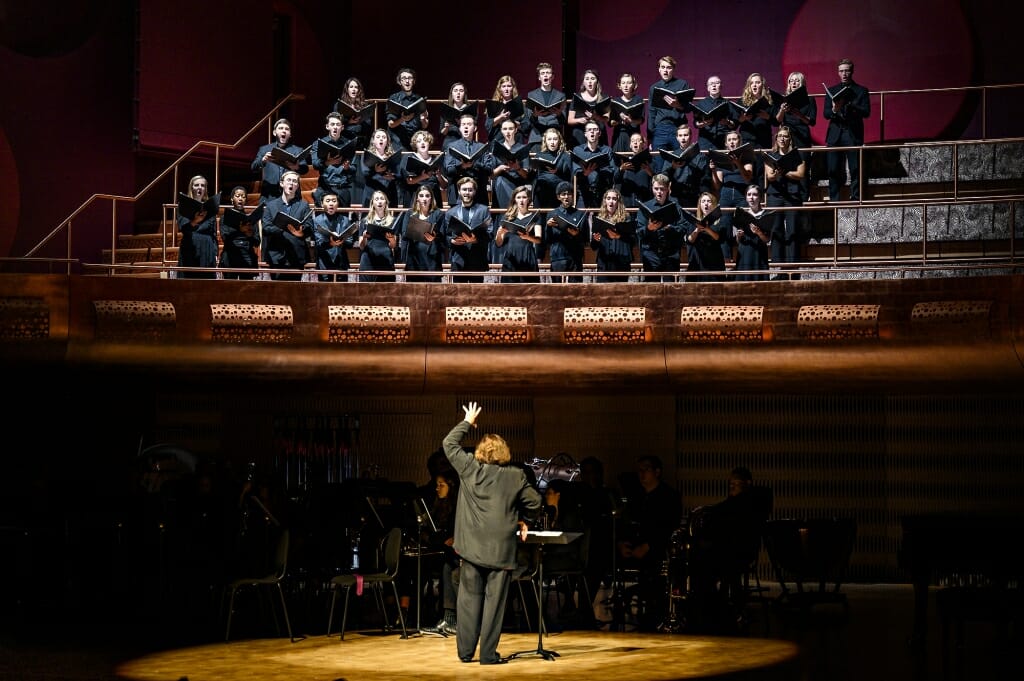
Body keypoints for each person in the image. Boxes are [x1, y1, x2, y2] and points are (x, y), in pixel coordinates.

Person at [442, 401, 542, 665]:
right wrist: (524, 519)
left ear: (479, 452)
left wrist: (468, 422)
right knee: (494, 605)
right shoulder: (516, 476)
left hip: (472, 550)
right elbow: (535, 503)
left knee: (468, 603)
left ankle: (465, 653)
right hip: (500, 551)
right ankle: (487, 655)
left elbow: (448, 444)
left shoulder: (469, 469)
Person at [688, 466, 771, 632]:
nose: (732, 486)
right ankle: (709, 606)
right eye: (730, 483)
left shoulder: (749, 503)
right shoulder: (732, 503)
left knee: (704, 561)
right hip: (725, 550)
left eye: (736, 483)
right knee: (699, 557)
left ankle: (713, 607)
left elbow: (735, 528)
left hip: (738, 552)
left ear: (747, 484)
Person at [617, 455, 681, 632]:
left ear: (657, 472)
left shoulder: (669, 496)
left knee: (654, 567)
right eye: (640, 470)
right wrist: (622, 543)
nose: (641, 473)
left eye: (646, 469)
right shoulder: (636, 496)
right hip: (635, 547)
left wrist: (648, 546)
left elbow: (668, 528)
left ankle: (655, 614)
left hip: (658, 549)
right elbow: (626, 523)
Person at [824, 58, 870, 201]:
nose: (844, 74)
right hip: (835, 133)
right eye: (841, 71)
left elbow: (866, 112)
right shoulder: (832, 91)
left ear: (852, 72)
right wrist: (834, 109)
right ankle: (834, 200)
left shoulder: (861, 90)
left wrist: (851, 105)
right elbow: (826, 114)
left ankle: (856, 197)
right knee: (832, 169)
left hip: (852, 133)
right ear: (838, 73)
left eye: (847, 71)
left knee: (855, 168)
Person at [765, 126, 807, 280]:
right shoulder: (771, 155)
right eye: (779, 136)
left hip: (792, 196)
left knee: (792, 231)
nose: (782, 138)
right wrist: (776, 174)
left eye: (785, 136)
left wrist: (785, 172)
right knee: (776, 230)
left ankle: (793, 269)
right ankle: (779, 269)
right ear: (776, 139)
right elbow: (769, 176)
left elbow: (801, 174)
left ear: (790, 139)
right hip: (775, 195)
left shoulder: (797, 154)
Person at [422, 469, 461, 636]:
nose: (437, 488)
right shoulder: (438, 507)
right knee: (446, 567)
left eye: (441, 485)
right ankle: (448, 617)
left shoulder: (458, 507)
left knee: (450, 569)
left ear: (451, 487)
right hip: (446, 552)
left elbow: (451, 537)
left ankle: (456, 619)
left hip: (459, 553)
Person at [709, 130, 755, 265]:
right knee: (724, 227)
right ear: (726, 143)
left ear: (739, 141)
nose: (732, 142)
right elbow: (717, 185)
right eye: (729, 140)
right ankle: (726, 260)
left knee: (745, 227)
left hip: (742, 193)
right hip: (726, 193)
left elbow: (748, 178)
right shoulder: (721, 158)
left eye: (735, 139)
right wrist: (713, 170)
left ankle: (744, 260)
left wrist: (738, 163)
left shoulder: (746, 156)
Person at [262, 169, 313, 280]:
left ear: (298, 186)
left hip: (296, 255)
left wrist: (301, 231)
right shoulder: (271, 205)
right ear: (282, 183)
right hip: (276, 255)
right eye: (288, 180)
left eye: (295, 181)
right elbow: (266, 228)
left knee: (295, 293)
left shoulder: (303, 205)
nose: (291, 183)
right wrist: (282, 228)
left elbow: (309, 226)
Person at [636, 173, 686, 282]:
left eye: (662, 189)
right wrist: (649, 228)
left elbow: (683, 227)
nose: (659, 192)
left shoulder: (675, 207)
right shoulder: (646, 207)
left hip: (671, 254)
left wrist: (670, 228)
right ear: (652, 188)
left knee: (671, 289)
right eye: (656, 188)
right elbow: (639, 232)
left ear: (668, 189)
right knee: (652, 290)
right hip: (651, 254)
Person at [444, 177, 492, 282]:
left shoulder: (483, 210)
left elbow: (490, 233)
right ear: (459, 191)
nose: (467, 192)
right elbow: (445, 236)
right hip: (458, 260)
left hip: (477, 260)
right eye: (464, 189)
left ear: (474, 191)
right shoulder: (450, 212)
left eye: (470, 190)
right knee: (459, 296)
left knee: (477, 295)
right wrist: (452, 241)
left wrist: (476, 239)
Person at [442, 114, 494, 207]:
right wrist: (462, 166)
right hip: (457, 196)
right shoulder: (451, 146)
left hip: (479, 195)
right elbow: (449, 171)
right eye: (463, 124)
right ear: (460, 128)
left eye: (469, 124)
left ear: (475, 128)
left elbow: (489, 170)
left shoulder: (482, 147)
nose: (466, 126)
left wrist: (475, 164)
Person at [252, 118, 309, 201]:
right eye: (281, 128)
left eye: (287, 129)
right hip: (269, 196)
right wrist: (263, 160)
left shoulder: (297, 150)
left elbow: (305, 169)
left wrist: (296, 167)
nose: (284, 131)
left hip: (292, 196)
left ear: (290, 134)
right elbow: (253, 167)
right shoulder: (264, 149)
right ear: (274, 133)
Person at [494, 185, 542, 282]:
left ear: (528, 199)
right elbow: (498, 243)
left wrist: (528, 237)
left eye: (524, 197)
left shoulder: (534, 217)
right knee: (509, 291)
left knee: (529, 291)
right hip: (511, 257)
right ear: (514, 200)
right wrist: (499, 233)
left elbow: (538, 240)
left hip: (527, 256)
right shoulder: (507, 217)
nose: (521, 200)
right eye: (518, 197)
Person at [175, 174, 219, 279]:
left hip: (207, 248)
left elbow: (213, 233)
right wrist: (195, 221)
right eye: (196, 185)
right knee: (189, 281)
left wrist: (215, 252)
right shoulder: (184, 205)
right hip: (191, 246)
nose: (200, 188)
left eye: (203, 185)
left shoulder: (210, 206)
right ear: (191, 188)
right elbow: (183, 228)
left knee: (206, 283)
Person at [544, 181, 588, 282]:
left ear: (573, 196)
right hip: (557, 256)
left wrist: (576, 235)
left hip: (575, 257)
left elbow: (585, 239)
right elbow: (547, 239)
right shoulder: (552, 214)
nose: (566, 197)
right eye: (563, 194)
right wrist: (548, 227)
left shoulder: (580, 214)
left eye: (569, 194)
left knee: (576, 290)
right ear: (558, 197)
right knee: (557, 290)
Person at [400, 185, 446, 282]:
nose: (424, 199)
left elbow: (442, 235)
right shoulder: (410, 213)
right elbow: (404, 233)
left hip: (432, 259)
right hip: (414, 258)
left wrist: (434, 237)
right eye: (421, 196)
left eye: (427, 196)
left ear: (431, 198)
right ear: (417, 198)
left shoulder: (438, 214)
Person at [311, 111, 356, 208]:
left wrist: (347, 167)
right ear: (327, 127)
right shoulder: (318, 143)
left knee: (344, 220)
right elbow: (315, 164)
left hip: (342, 189)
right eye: (332, 124)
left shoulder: (348, 144)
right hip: (325, 187)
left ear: (342, 127)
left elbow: (354, 169)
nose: (335, 127)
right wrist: (327, 163)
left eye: (338, 124)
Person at [646, 55, 691, 152]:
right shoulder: (654, 87)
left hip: (678, 128)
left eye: (668, 67)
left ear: (673, 69)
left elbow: (688, 108)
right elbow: (651, 112)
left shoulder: (682, 84)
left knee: (679, 161)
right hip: (660, 129)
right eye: (663, 67)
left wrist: (677, 105)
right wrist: (650, 137)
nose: (665, 70)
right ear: (659, 69)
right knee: (658, 163)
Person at [590, 187, 636, 282]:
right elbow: (593, 247)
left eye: (614, 199)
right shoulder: (599, 219)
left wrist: (619, 236)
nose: (611, 201)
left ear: (618, 202)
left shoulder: (625, 219)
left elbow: (633, 241)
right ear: (605, 201)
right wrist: (596, 239)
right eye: (608, 198)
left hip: (621, 262)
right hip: (604, 262)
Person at [659, 124, 709, 209]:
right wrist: (673, 167)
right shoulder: (672, 156)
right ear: (677, 138)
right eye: (680, 135)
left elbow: (704, 177)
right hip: (676, 197)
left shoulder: (700, 156)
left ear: (691, 136)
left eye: (686, 135)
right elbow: (663, 177)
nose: (683, 138)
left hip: (694, 196)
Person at [521, 62, 567, 153]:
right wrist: (535, 115)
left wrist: (558, 114)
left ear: (552, 76)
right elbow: (529, 119)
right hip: (537, 137)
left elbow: (563, 120)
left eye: (548, 73)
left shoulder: (560, 96)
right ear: (539, 77)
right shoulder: (532, 95)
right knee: (536, 165)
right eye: (543, 73)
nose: (545, 75)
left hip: (554, 137)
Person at [312, 190, 356, 281]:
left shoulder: (345, 220)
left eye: (334, 201)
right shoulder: (317, 221)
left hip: (341, 264)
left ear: (338, 203)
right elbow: (319, 242)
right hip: (324, 264)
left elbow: (350, 242)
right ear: (322, 203)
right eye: (327, 201)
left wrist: (342, 241)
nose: (331, 204)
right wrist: (331, 243)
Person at [489, 117, 532, 210]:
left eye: (510, 129)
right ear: (501, 131)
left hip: (518, 185)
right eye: (505, 129)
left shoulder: (522, 148)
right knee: (500, 180)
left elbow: (526, 176)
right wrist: (500, 168)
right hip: (500, 184)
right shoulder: (497, 149)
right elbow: (491, 176)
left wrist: (518, 168)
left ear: (516, 130)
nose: (508, 132)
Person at [357, 189, 400, 282]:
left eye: (382, 199)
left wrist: (391, 239)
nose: (379, 201)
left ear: (386, 202)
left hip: (385, 259)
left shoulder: (392, 221)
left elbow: (393, 245)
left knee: (385, 292)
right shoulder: (365, 221)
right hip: (368, 259)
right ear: (373, 203)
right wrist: (364, 237)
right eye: (376, 199)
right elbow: (361, 246)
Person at [572, 120, 616, 209]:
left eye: (595, 129)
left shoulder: (606, 150)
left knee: (601, 221)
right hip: (583, 192)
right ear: (585, 134)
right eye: (589, 130)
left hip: (602, 192)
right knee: (582, 220)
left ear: (599, 133)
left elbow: (613, 169)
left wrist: (600, 168)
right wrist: (585, 173)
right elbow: (575, 171)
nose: (592, 132)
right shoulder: (577, 150)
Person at [219, 185, 261, 279]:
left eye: (243, 196)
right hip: (231, 255)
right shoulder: (225, 218)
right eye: (237, 196)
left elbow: (257, 241)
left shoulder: (251, 218)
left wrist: (249, 235)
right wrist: (240, 230)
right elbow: (225, 238)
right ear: (232, 199)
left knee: (246, 289)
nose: (240, 199)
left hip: (247, 255)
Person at [684, 191, 727, 281]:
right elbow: (689, 240)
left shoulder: (719, 221)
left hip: (714, 260)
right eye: (703, 201)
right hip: (698, 260)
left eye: (709, 201)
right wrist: (697, 229)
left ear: (713, 204)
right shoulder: (695, 221)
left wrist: (707, 229)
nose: (706, 204)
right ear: (700, 205)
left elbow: (718, 238)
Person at [400, 129, 446, 209]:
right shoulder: (408, 158)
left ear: (429, 143)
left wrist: (439, 176)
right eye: (419, 141)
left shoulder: (436, 160)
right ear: (415, 145)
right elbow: (409, 181)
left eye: (425, 140)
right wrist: (423, 177)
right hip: (414, 198)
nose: (422, 143)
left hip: (433, 199)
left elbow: (444, 185)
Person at [386, 67, 429, 152]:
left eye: (410, 78)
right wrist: (403, 119)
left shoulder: (419, 99)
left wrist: (423, 120)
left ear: (414, 81)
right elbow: (390, 124)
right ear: (400, 82)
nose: (407, 81)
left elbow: (424, 125)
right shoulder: (394, 98)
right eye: (404, 78)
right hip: (398, 143)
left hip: (415, 142)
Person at [734, 184, 771, 281]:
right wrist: (738, 235)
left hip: (759, 253)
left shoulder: (766, 215)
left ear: (760, 197)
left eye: (755, 195)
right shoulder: (742, 214)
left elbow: (767, 240)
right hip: (744, 252)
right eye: (749, 194)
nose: (751, 197)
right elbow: (737, 241)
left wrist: (759, 233)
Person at [567, 68, 609, 148]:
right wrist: (579, 120)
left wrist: (595, 117)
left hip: (598, 133)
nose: (590, 81)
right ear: (583, 82)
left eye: (592, 79)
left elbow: (607, 119)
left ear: (597, 81)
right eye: (587, 79)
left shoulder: (603, 97)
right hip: (580, 133)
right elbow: (570, 120)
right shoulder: (577, 97)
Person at [358, 128, 400, 208]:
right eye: (378, 137)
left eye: (384, 137)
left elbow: (398, 174)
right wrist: (376, 171)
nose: (381, 139)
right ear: (373, 141)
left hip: (389, 191)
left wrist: (392, 176)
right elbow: (364, 173)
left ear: (387, 141)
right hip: (372, 191)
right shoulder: (367, 155)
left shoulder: (392, 155)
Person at [694, 75, 735, 151]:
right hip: (705, 140)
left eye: (717, 83)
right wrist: (703, 124)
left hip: (722, 140)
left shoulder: (728, 103)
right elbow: (695, 123)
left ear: (721, 86)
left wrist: (727, 122)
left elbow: (734, 124)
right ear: (708, 88)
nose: (714, 85)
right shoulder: (701, 104)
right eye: (711, 83)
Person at [614, 132, 654, 209]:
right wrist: (621, 169)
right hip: (627, 202)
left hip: (644, 202)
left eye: (638, 140)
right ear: (630, 145)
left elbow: (656, 180)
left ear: (643, 144)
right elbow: (616, 180)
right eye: (633, 141)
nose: (635, 142)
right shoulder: (624, 162)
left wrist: (649, 171)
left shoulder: (650, 161)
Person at [736, 72, 774, 150]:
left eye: (757, 82)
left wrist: (767, 117)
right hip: (747, 139)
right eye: (752, 83)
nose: (754, 85)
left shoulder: (769, 101)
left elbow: (776, 122)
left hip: (764, 140)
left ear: (762, 85)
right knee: (748, 162)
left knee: (762, 161)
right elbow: (736, 122)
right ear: (749, 86)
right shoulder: (742, 101)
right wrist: (743, 118)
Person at [609, 71, 645, 153]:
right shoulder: (615, 101)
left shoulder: (638, 100)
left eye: (629, 83)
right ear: (619, 85)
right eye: (623, 83)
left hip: (634, 135)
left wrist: (631, 120)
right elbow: (611, 122)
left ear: (633, 85)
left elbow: (641, 120)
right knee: (618, 160)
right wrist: (619, 121)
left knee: (634, 161)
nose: (625, 86)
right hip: (619, 135)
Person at [484, 74, 525, 144]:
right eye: (504, 86)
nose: (506, 89)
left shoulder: (519, 104)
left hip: (516, 141)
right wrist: (500, 117)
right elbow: (488, 125)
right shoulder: (493, 105)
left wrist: (514, 123)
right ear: (499, 89)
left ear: (513, 88)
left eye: (509, 86)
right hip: (498, 139)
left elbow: (526, 126)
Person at [334, 76, 373, 149]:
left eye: (356, 87)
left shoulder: (364, 105)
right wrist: (349, 122)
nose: (354, 89)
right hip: (344, 139)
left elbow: (369, 123)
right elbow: (334, 123)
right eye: (351, 87)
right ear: (347, 89)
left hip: (360, 140)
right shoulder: (339, 105)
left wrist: (360, 120)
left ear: (359, 90)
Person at [439, 81, 474, 151]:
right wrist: (446, 127)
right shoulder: (447, 109)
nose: (458, 93)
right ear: (452, 93)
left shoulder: (470, 108)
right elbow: (442, 132)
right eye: (455, 90)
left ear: (464, 94)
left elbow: (475, 128)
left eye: (461, 91)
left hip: (465, 141)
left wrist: (462, 124)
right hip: (450, 141)